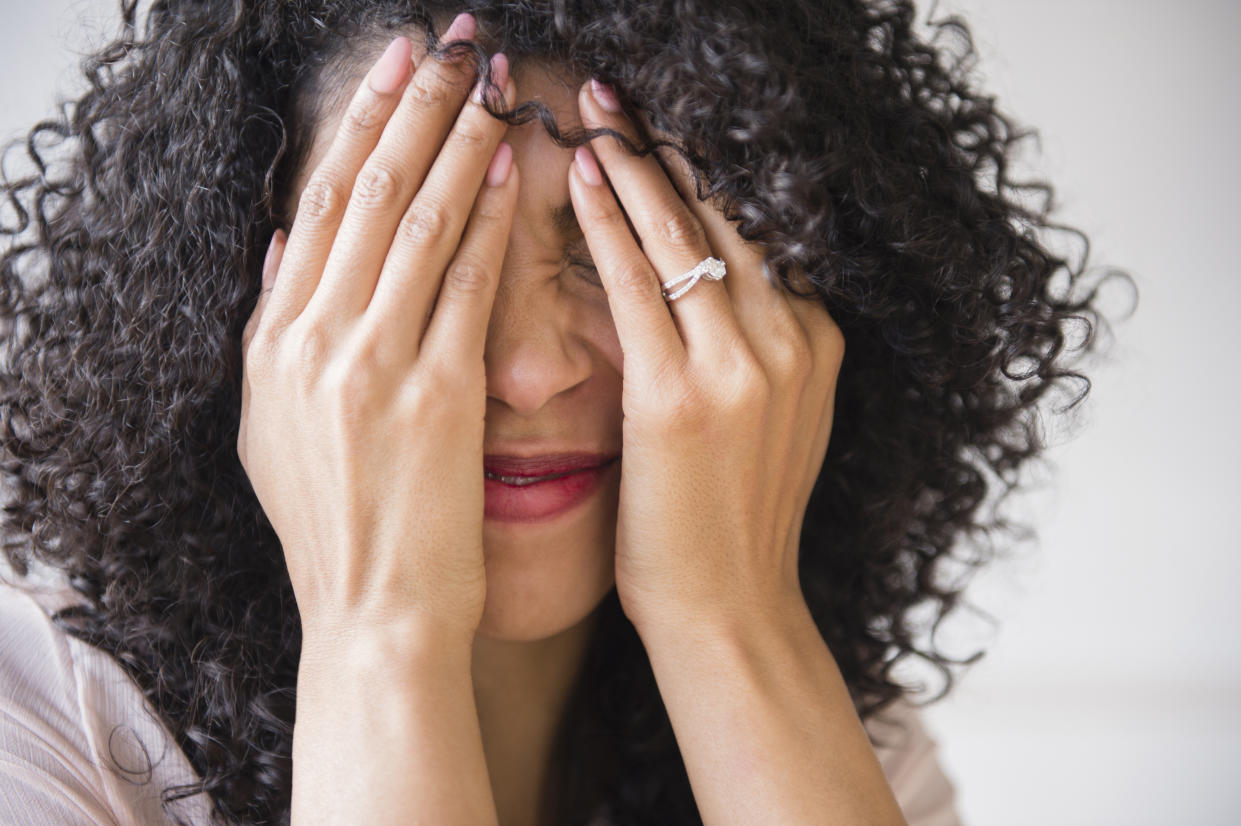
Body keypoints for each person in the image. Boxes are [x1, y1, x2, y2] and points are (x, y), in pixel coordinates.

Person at [0, 1, 1118, 824]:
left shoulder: (821, 718)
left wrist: (731, 620)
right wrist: (379, 627)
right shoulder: (40, 723)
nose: (527, 376)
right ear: (236, 306)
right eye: (421, 263)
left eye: (622, 252)